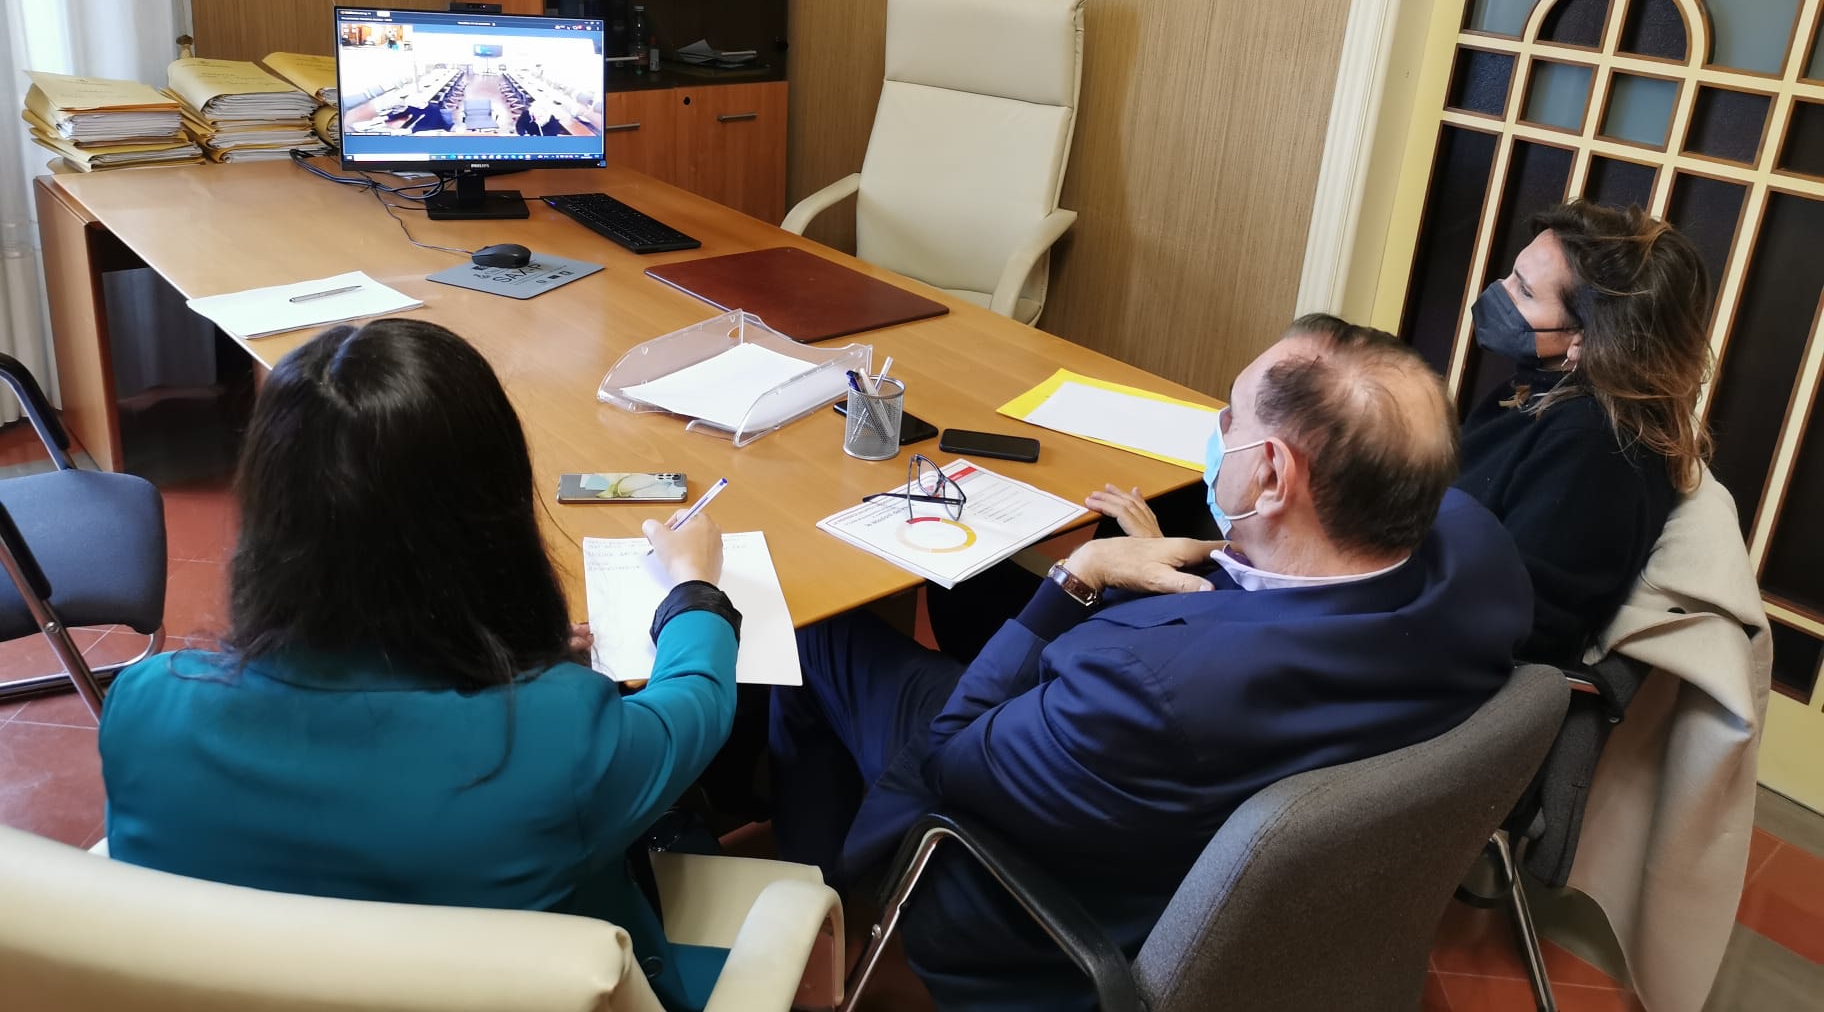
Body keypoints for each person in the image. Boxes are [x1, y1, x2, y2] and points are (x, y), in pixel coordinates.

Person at [769, 315, 1532, 1010]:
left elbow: (953, 752)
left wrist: (1084, 572)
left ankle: (815, 914)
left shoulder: (1143, 688)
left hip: (1044, 919)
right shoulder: (1482, 557)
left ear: (1271, 475)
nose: (1217, 428)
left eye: (1229, 418)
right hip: (1253, 857)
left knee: (821, 633)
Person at [99, 319, 740, 1012]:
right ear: (490, 522)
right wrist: (693, 590)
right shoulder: (557, 743)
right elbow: (697, 700)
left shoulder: (141, 709)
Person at [1457, 200, 1712, 667]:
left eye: (1525, 292)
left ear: (1584, 338)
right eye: (1513, 276)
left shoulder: (1595, 449)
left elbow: (1521, 622)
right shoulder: (1532, 388)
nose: (1499, 293)